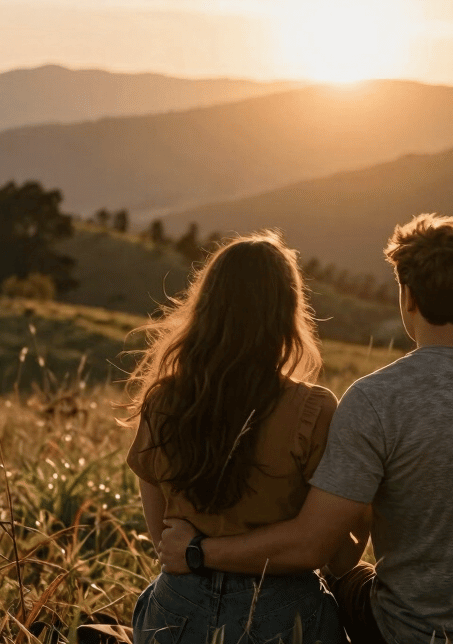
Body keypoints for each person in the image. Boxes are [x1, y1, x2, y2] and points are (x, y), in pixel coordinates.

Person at [159, 214, 453, 644]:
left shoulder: (376, 399)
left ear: (407, 295)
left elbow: (312, 549)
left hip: (412, 633)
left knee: (340, 582)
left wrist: (197, 551)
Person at [125, 231, 367, 644]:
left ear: (206, 307)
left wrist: (197, 551)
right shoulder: (313, 409)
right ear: (287, 313)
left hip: (176, 607)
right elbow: (334, 555)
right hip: (282, 614)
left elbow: (164, 541)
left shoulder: (163, 401)